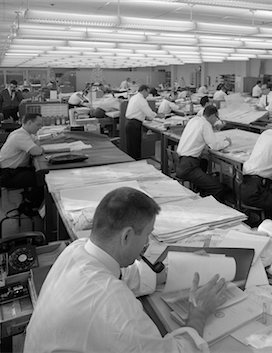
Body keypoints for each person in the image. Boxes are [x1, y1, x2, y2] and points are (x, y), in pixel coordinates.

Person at [24, 187, 228, 353]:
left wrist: (164, 275)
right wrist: (199, 314)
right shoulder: (114, 303)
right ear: (127, 236)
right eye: (147, 235)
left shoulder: (77, 250)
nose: (147, 244)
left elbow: (121, 275)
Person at [176, 105, 232, 202]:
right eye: (216, 118)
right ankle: (212, 206)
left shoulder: (194, 120)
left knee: (204, 162)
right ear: (213, 116)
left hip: (181, 161)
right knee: (218, 188)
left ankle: (202, 194)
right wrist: (227, 142)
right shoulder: (205, 124)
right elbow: (214, 146)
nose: (216, 121)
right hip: (189, 166)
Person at [0, 113, 44, 214]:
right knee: (42, 178)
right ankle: (27, 205)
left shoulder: (22, 133)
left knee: (39, 173)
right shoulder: (20, 136)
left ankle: (31, 201)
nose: (40, 128)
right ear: (29, 123)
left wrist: (38, 146)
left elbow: (37, 143)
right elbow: (36, 151)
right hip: (9, 175)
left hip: (13, 170)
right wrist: (40, 148)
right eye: (38, 125)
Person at [125, 84, 163, 160]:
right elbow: (149, 113)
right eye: (147, 92)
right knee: (135, 146)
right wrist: (159, 116)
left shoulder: (134, 97)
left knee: (131, 146)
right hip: (134, 125)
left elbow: (138, 111)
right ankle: (136, 162)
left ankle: (132, 162)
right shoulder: (141, 99)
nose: (148, 95)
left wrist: (146, 117)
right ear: (144, 91)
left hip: (129, 123)